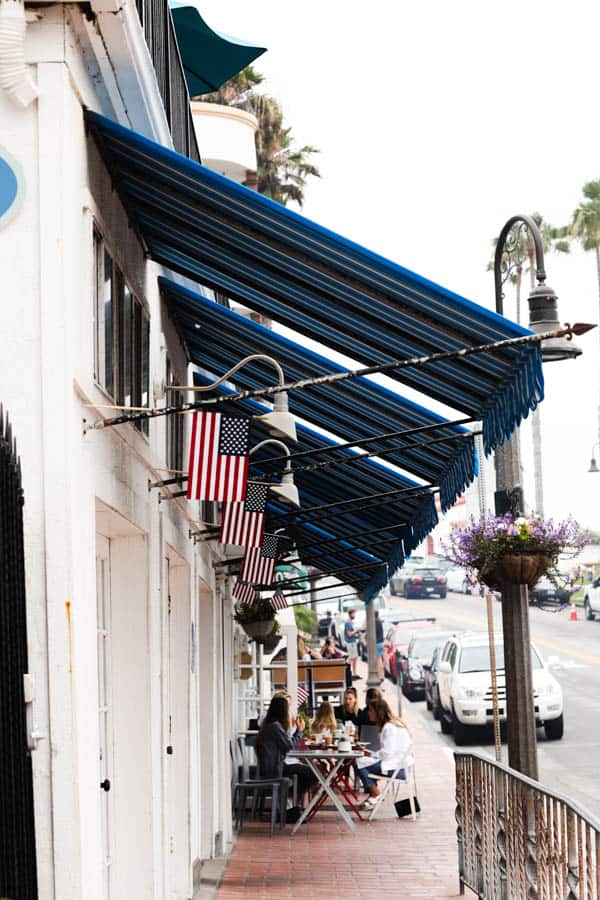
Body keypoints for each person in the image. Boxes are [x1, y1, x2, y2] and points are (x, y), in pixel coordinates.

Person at [255, 694, 317, 804]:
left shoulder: (270, 725)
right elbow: (290, 746)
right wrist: (300, 731)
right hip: (275, 769)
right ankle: (292, 798)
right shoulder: (275, 726)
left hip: (271, 767)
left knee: (306, 771)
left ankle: (292, 799)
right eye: (287, 708)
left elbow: (286, 746)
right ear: (282, 711)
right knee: (312, 773)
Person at [356, 698, 412, 809]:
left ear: (378, 712)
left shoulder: (389, 727)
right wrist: (371, 754)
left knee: (358, 762)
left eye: (371, 710)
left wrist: (371, 755)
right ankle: (373, 793)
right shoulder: (393, 724)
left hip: (397, 770)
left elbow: (387, 753)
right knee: (363, 762)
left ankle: (375, 793)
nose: (369, 713)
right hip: (401, 766)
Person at [344, 608, 359, 679]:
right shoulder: (348, 623)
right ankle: (346, 672)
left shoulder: (350, 622)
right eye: (354, 613)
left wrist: (356, 634)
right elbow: (349, 634)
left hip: (352, 641)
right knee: (351, 657)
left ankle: (354, 673)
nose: (355, 615)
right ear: (351, 614)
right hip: (350, 643)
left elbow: (351, 633)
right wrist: (356, 631)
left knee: (355, 657)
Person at [375, 611, 385, 683]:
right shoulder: (379, 621)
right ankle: (381, 675)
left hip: (377, 643)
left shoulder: (375, 622)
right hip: (381, 642)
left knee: (378, 660)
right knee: (380, 659)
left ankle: (380, 676)